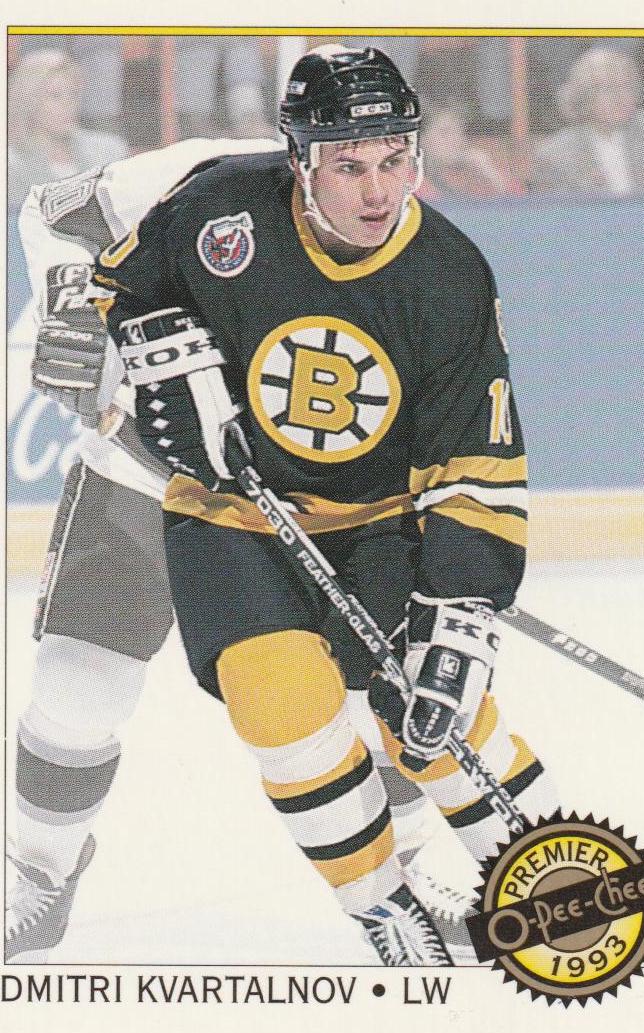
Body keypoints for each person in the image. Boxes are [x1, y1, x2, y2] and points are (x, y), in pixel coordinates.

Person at [89, 45, 558, 965]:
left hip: (380, 521)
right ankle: (383, 909)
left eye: (393, 160)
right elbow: (123, 285)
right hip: (233, 515)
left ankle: (565, 882)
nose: (377, 191)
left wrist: (459, 609)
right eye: (349, 165)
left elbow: (477, 457)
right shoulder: (219, 212)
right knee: (281, 705)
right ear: (299, 159)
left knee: (430, 713)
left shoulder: (448, 274)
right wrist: (157, 354)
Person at [6, 134, 480, 964]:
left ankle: (401, 874)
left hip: (307, 511)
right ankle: (38, 873)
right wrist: (74, 306)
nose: (371, 195)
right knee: (79, 685)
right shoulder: (200, 176)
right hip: (142, 474)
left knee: (375, 693)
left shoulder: (410, 252)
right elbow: (51, 212)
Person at [529, 47, 644, 195]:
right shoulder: (555, 153)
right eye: (609, 90)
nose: (622, 98)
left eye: (627, 87)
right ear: (583, 97)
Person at [8, 49, 128, 207]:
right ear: (29, 101)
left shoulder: (110, 150)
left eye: (73, 94)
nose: (68, 104)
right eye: (55, 95)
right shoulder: (11, 165)